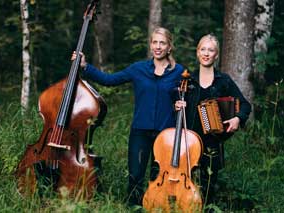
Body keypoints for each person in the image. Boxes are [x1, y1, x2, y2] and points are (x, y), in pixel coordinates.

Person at [72, 27, 185, 207]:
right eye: (154, 42)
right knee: (135, 177)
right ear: (150, 45)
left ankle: (155, 208)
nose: (158, 46)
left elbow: (189, 97)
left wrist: (181, 103)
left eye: (162, 43)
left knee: (158, 177)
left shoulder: (180, 72)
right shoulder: (138, 69)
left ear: (169, 47)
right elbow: (109, 80)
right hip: (140, 132)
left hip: (166, 135)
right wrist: (85, 66)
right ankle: (134, 208)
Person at [175, 34, 252, 205]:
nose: (206, 53)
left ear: (216, 55)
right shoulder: (187, 80)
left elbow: (245, 105)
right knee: (185, 185)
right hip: (188, 142)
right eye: (203, 49)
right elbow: (175, 111)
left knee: (208, 189)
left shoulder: (223, 81)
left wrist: (238, 119)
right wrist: (176, 106)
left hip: (212, 143)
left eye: (211, 50)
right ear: (197, 53)